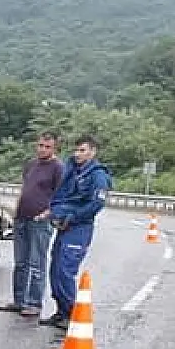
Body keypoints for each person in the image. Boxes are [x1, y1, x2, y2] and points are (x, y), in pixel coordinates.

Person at [46, 134, 112, 329]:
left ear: (93, 152)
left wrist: (72, 217)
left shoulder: (98, 175)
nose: (77, 154)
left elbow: (96, 204)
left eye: (82, 150)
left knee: (66, 270)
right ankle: (61, 311)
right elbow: (61, 195)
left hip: (79, 227)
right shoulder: (72, 170)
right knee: (55, 268)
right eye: (76, 150)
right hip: (64, 226)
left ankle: (72, 314)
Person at [0, 131, 64, 319]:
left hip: (40, 221)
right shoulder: (31, 165)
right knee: (20, 263)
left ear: (55, 148)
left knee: (36, 263)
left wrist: (47, 214)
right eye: (40, 145)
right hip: (22, 218)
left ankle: (34, 303)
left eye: (47, 147)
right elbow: (24, 188)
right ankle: (19, 300)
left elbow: (60, 196)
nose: (43, 149)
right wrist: (15, 211)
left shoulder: (58, 168)